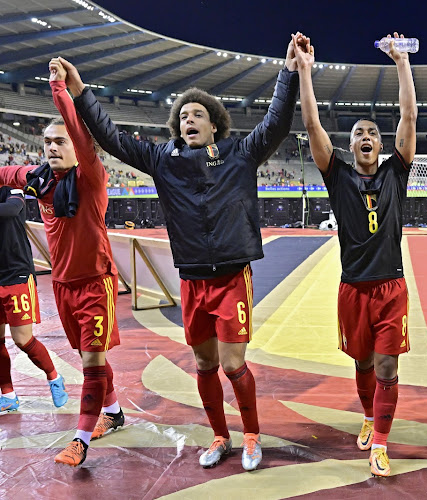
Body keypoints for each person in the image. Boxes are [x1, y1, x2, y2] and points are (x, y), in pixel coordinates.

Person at [63, 33, 301, 471]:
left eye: (198, 114)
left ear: (215, 125)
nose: (189, 119)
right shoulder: (162, 160)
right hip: (192, 279)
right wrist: (81, 93)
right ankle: (220, 436)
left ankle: (251, 435)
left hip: (230, 276)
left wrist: (288, 72)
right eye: (183, 116)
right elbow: (113, 139)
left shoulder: (240, 153)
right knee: (204, 364)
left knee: (233, 364)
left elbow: (276, 123)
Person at [294, 33, 416, 477]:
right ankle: (369, 416)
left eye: (372, 133)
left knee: (387, 364)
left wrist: (401, 62)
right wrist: (305, 72)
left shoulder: (395, 174)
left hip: (391, 286)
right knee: (364, 364)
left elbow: (408, 114)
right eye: (359, 133)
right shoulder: (338, 175)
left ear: (381, 146)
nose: (366, 136)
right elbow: (312, 126)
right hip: (352, 288)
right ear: (350, 146)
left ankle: (380, 443)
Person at [0, 59, 125, 467]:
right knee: (96, 359)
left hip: (95, 283)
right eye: (47, 143)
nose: (52, 147)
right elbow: (6, 172)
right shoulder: (40, 179)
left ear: (76, 146)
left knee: (91, 361)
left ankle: (81, 439)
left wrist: (59, 88)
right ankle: (115, 413)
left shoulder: (90, 177)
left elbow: (78, 128)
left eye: (61, 141)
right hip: (63, 286)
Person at [0, 186, 68, 414]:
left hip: (17, 275)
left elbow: (12, 209)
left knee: (22, 339)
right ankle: (8, 395)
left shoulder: (13, 191)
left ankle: (54, 378)